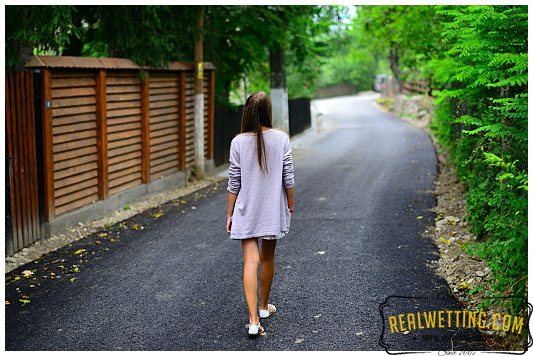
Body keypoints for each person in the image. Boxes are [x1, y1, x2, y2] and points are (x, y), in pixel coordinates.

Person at [226, 91, 295, 336]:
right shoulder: (281, 138)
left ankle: (254, 321)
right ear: (268, 111)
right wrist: (290, 204)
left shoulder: (238, 142)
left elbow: (234, 182)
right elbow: (289, 177)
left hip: (246, 210)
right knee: (267, 258)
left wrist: (229, 214)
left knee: (250, 262)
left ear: (247, 112)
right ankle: (264, 307)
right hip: (271, 211)